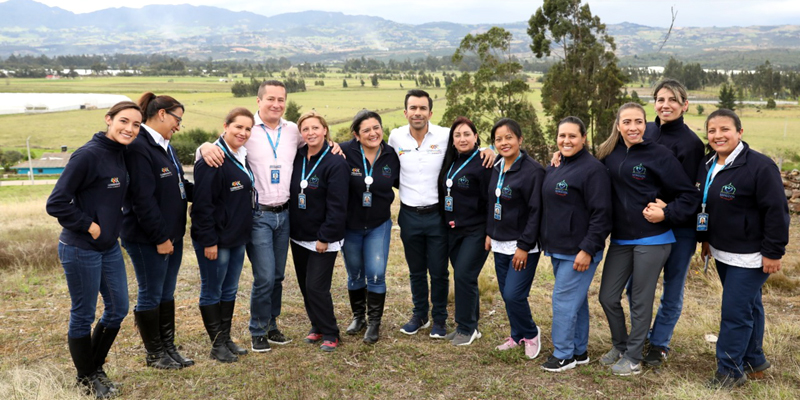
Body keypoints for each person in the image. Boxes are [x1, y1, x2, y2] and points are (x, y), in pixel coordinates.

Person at [198, 80, 342, 352]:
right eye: (271, 99)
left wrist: (334, 144)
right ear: (259, 101)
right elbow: (220, 146)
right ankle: (258, 329)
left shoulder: (292, 131)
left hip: (285, 214)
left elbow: (316, 140)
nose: (276, 104)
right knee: (264, 276)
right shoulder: (247, 129)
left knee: (277, 276)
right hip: (258, 216)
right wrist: (204, 146)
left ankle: (272, 324)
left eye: (281, 99)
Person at [596, 103, 700, 376]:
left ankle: (632, 357)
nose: (633, 127)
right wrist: (561, 156)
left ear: (646, 124)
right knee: (607, 297)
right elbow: (585, 174)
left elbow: (689, 195)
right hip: (620, 239)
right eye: (627, 122)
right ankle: (620, 346)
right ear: (618, 125)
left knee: (640, 301)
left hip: (654, 239)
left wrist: (666, 212)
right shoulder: (608, 154)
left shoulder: (659, 155)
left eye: (639, 122)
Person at [46, 101, 142, 398]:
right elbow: (56, 202)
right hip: (80, 247)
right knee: (84, 314)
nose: (129, 129)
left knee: (118, 309)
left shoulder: (122, 153)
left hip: (109, 247)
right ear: (108, 119)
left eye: (136, 125)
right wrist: (90, 225)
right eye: (123, 121)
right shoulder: (87, 155)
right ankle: (87, 377)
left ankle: (94, 367)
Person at [388, 89, 494, 338]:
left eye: (422, 108)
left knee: (438, 270)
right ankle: (419, 315)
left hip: (438, 216)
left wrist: (488, 149)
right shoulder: (395, 137)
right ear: (405, 112)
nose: (417, 113)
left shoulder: (445, 135)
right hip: (408, 214)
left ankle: (439, 320)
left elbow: (468, 141)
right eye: (413, 108)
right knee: (416, 270)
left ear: (430, 112)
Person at [696, 109, 789, 388]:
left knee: (735, 312)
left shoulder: (760, 166)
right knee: (750, 306)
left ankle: (730, 370)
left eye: (725, 129)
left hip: (751, 255)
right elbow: (710, 206)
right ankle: (753, 360)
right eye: (712, 130)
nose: (718, 135)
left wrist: (774, 252)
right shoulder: (708, 163)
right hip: (722, 251)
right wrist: (706, 239)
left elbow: (776, 211)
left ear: (740, 132)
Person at [122, 92, 194, 370]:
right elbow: (142, 199)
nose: (179, 125)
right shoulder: (139, 147)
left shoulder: (166, 145)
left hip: (173, 234)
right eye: (177, 119)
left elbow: (179, 185)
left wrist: (210, 193)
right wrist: (160, 238)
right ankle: (154, 354)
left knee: (167, 292)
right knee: (151, 293)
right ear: (162, 114)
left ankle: (168, 347)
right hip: (148, 238)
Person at [638, 79, 707, 366]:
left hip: (680, 227)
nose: (665, 105)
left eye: (673, 100)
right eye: (660, 99)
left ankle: (659, 342)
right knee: (638, 285)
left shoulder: (691, 144)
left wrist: (668, 210)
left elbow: (691, 193)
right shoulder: (646, 130)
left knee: (672, 285)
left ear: (684, 105)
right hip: (646, 224)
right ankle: (640, 334)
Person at [540, 117, 612, 372]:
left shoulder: (593, 170)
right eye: (562, 136)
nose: (566, 141)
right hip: (558, 247)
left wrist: (587, 249)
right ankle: (579, 351)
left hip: (579, 250)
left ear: (584, 139)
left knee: (562, 301)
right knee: (576, 301)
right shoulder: (556, 165)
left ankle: (563, 355)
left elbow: (602, 214)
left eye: (572, 136)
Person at [191, 107, 256, 363]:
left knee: (229, 289)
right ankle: (217, 345)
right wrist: (209, 241)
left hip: (237, 237)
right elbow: (202, 205)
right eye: (238, 126)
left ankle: (226, 337)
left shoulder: (241, 155)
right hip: (216, 239)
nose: (243, 132)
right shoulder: (212, 158)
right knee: (212, 290)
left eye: (248, 128)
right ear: (226, 126)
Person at [484, 118, 546, 359]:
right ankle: (517, 334)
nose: (503, 142)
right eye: (498, 139)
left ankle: (530, 332)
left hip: (523, 246)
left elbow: (536, 212)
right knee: (505, 293)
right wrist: (490, 231)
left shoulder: (533, 171)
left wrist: (524, 246)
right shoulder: (497, 166)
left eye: (509, 137)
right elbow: (493, 203)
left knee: (513, 294)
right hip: (499, 242)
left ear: (520, 139)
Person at [289, 111, 349, 352]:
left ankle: (331, 331)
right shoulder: (297, 157)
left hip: (323, 238)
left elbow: (338, 204)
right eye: (305, 129)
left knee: (316, 286)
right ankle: (316, 326)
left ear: (325, 130)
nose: (311, 133)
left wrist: (325, 237)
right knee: (305, 285)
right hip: (298, 234)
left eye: (315, 128)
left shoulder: (336, 162)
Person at [340, 110, 400, 344]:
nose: (373, 133)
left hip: (379, 225)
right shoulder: (344, 152)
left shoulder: (392, 156)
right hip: (350, 225)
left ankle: (374, 323)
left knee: (376, 273)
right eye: (366, 130)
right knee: (355, 274)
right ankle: (358, 317)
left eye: (376, 128)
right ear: (356, 134)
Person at [437, 116, 491, 346]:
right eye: (457, 135)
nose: (462, 138)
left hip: (476, 231)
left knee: (464, 276)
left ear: (476, 137)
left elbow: (491, 199)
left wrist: (491, 232)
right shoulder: (451, 161)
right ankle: (470, 326)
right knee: (464, 277)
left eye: (467, 134)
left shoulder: (485, 162)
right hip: (453, 230)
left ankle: (466, 329)